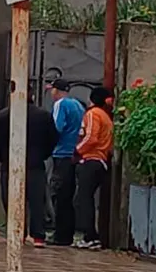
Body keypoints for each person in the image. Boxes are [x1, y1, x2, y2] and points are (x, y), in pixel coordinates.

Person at [0, 88, 58, 247]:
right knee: (37, 202)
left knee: (11, 200)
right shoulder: (43, 116)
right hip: (35, 165)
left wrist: (4, 157)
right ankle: (38, 236)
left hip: (10, 164)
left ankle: (17, 232)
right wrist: (42, 155)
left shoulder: (3, 115)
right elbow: (53, 139)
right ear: (32, 96)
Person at [74, 86, 114, 251]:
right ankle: (92, 236)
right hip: (101, 161)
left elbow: (91, 137)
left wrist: (77, 150)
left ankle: (89, 236)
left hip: (91, 160)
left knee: (83, 200)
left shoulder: (93, 114)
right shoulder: (106, 117)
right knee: (87, 198)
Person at [47, 79, 85, 246]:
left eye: (52, 90)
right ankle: (67, 234)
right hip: (74, 154)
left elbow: (56, 128)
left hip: (61, 153)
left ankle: (60, 235)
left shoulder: (60, 105)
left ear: (56, 91)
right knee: (68, 196)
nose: (51, 93)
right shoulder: (78, 105)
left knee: (59, 194)